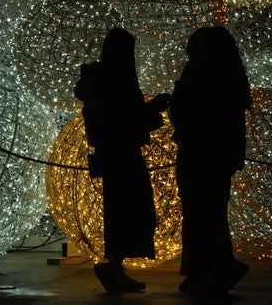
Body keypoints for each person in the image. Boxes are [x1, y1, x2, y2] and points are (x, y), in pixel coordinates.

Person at [74, 27, 170, 294]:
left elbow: (123, 114)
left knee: (130, 212)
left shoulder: (108, 77)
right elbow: (117, 119)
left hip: (119, 153)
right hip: (119, 154)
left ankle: (115, 268)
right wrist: (151, 109)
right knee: (127, 211)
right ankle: (112, 268)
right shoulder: (109, 79)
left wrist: (148, 110)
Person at [168, 26, 252, 296]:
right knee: (208, 214)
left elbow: (189, 112)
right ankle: (202, 270)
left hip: (201, 153)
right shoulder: (231, 76)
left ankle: (215, 268)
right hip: (214, 154)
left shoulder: (205, 75)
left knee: (202, 214)